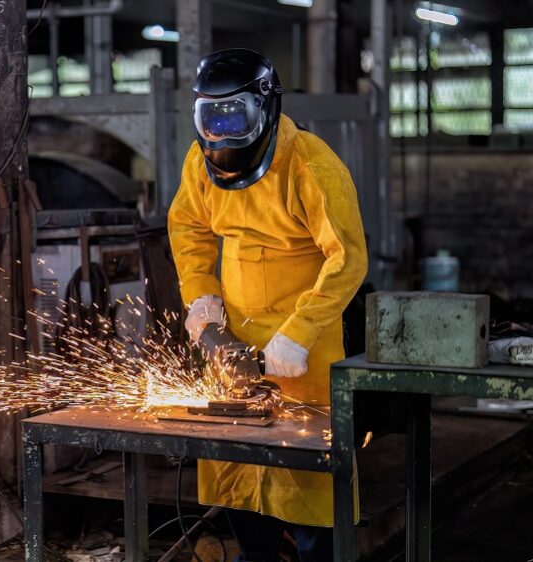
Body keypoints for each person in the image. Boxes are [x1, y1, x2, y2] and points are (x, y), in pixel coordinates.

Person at [167, 48, 368, 562]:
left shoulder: (311, 165)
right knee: (236, 469)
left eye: (236, 116)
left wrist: (298, 335)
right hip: (233, 340)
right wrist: (207, 318)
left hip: (302, 349)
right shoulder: (200, 159)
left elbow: (348, 260)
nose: (222, 133)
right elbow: (188, 228)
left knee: (305, 480)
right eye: (211, 118)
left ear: (266, 108)